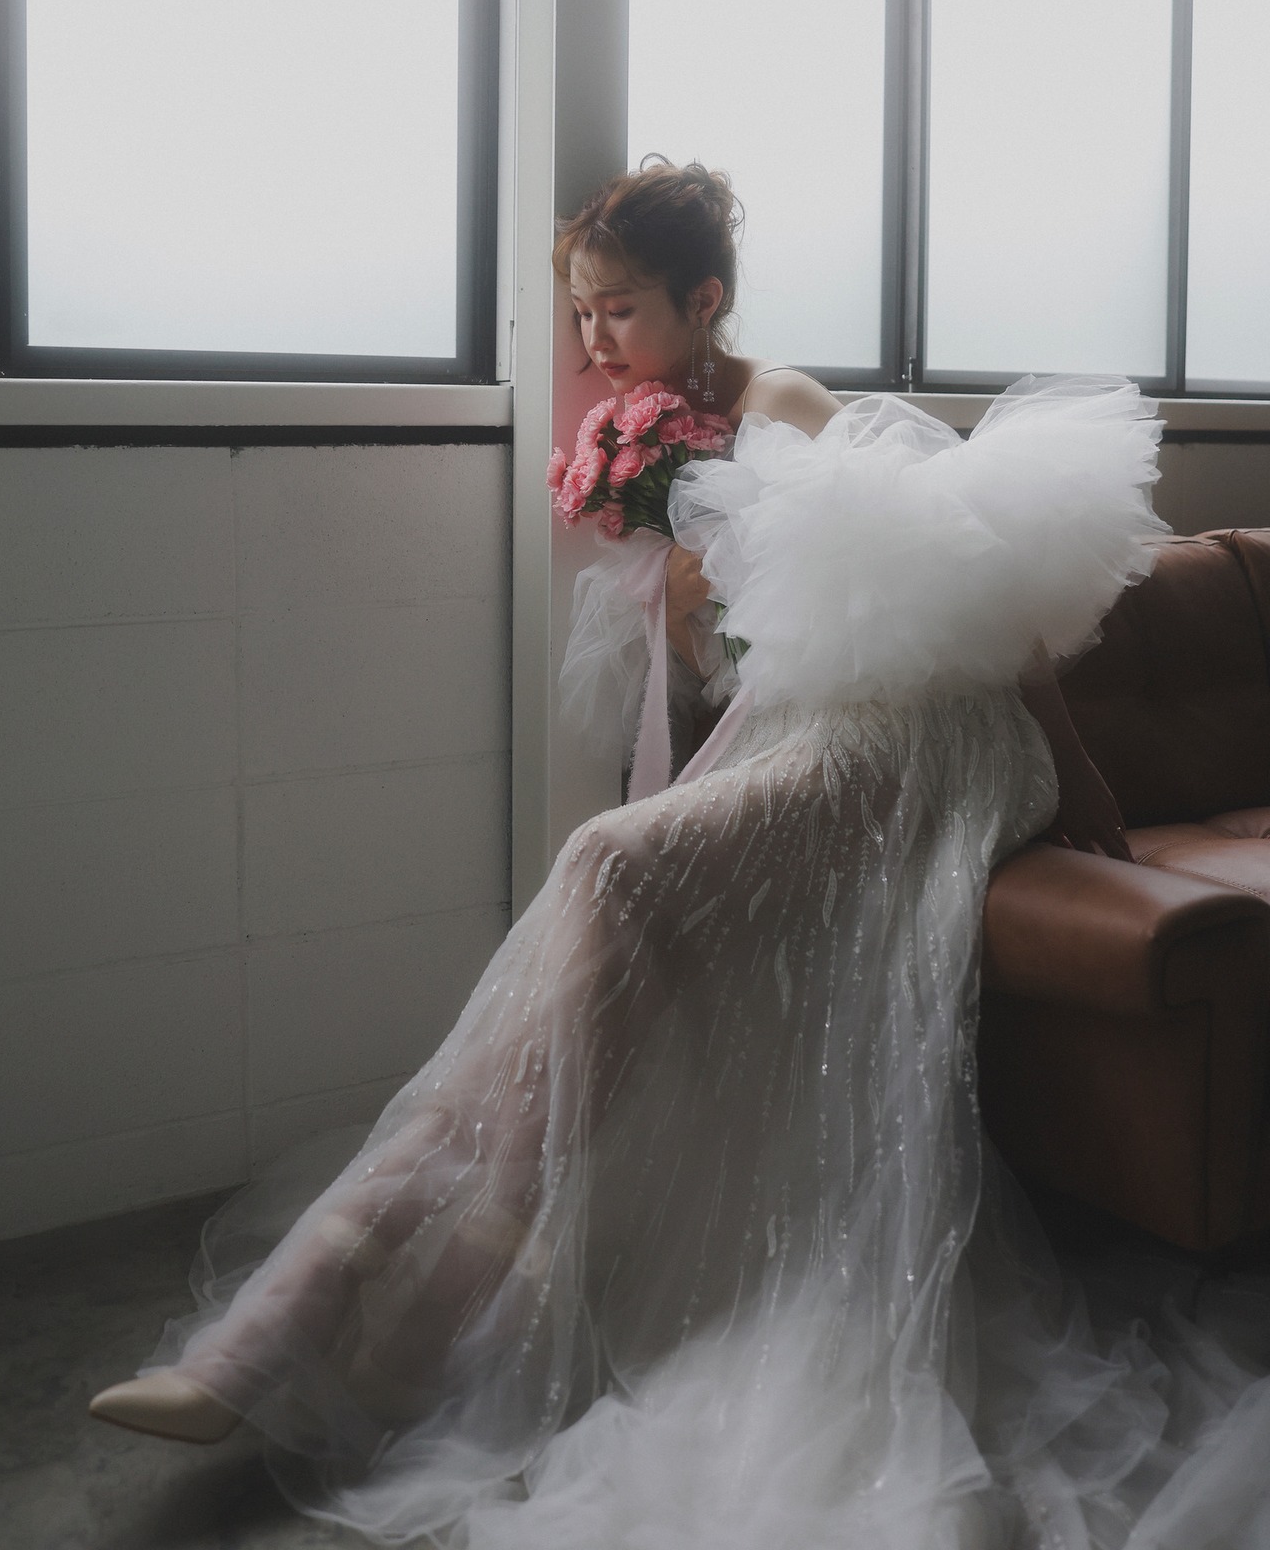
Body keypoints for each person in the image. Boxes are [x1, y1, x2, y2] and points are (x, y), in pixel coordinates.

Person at [90, 161, 1270, 1548]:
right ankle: (306, 1319)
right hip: (811, 729)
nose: (595, 342)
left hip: (930, 739)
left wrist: (1076, 768)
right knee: (598, 924)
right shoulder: (669, 428)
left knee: (606, 864)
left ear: (704, 301)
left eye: (621, 310)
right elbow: (742, 653)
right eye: (583, 314)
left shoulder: (787, 403)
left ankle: (384, 1303)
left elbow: (990, 593)